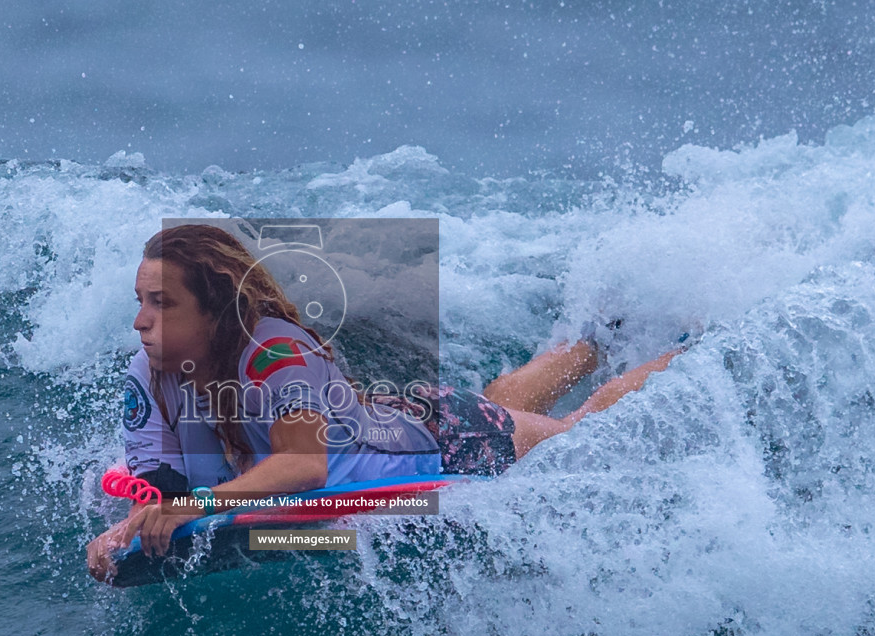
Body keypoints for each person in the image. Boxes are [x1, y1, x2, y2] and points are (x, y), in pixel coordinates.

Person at [86, 224, 685, 581]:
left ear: (212, 308)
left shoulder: (275, 355)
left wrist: (194, 507)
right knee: (502, 404)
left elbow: (304, 466)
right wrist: (125, 534)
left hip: (441, 440)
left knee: (573, 433)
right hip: (390, 417)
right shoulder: (150, 373)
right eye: (140, 300)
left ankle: (696, 352)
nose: (140, 321)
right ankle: (594, 338)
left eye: (162, 303)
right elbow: (160, 488)